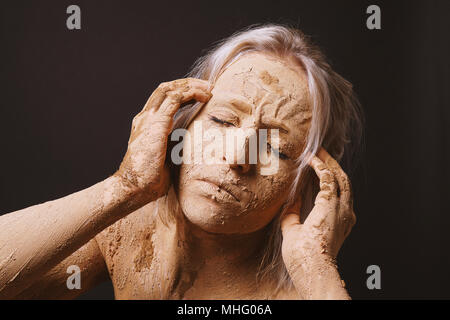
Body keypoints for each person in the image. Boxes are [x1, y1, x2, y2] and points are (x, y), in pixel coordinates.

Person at [0, 24, 362, 299]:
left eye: (277, 148)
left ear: (305, 182)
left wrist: (316, 271)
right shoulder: (133, 230)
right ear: (183, 123)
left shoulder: (305, 289)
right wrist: (122, 189)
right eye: (221, 121)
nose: (238, 157)